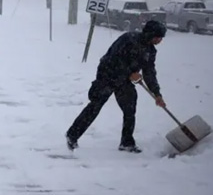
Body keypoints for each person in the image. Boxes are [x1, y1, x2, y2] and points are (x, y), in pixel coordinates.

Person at [66, 20, 168, 153]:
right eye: (158, 37)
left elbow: (149, 73)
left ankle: (126, 142)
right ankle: (72, 135)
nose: (159, 40)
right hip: (107, 75)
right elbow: (113, 58)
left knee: (130, 108)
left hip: (124, 81)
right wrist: (130, 73)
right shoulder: (128, 39)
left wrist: (157, 94)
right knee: (96, 105)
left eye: (161, 38)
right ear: (150, 34)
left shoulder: (150, 51)